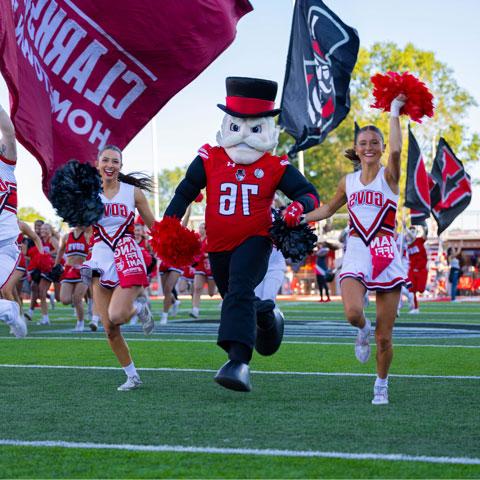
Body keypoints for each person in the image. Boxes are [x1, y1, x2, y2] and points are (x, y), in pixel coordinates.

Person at [165, 77, 319, 391]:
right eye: (238, 126)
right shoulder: (210, 157)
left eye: (254, 128)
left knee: (239, 288)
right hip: (218, 245)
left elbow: (309, 193)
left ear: (266, 128)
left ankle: (238, 362)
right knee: (236, 296)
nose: (245, 137)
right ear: (227, 124)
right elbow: (184, 191)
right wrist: (170, 223)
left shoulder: (276, 165)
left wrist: (297, 207)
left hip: (257, 239)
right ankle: (267, 319)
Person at [304, 95, 410, 405]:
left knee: (385, 337)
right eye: (363, 142)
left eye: (374, 142)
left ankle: (381, 383)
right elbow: (325, 210)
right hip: (357, 251)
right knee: (353, 314)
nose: (368, 147)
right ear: (357, 147)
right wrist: (297, 218)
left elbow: (398, 150)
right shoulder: (347, 182)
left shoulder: (389, 178)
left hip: (386, 253)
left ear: (380, 147)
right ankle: (361, 330)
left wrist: (393, 112)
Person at [81, 144, 155, 391]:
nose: (110, 165)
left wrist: (174, 240)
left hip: (127, 256)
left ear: (121, 166)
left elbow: (154, 226)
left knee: (117, 315)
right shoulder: (89, 193)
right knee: (110, 328)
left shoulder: (133, 193)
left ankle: (139, 308)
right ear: (98, 164)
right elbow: (82, 225)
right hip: (99, 261)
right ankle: (132, 376)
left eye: (115, 161)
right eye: (105, 160)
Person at [0, 101, 27, 337]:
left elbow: (8, 131)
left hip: (5, 247)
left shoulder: (6, 167)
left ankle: (9, 310)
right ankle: (9, 311)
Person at [1, 221, 43, 319]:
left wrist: (42, 255)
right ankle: (20, 317)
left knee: (6, 290)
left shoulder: (20, 225)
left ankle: (16, 320)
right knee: (14, 294)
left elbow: (36, 238)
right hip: (5, 261)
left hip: (18, 261)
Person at [55, 226, 92, 331]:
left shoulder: (87, 236)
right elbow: (60, 251)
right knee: (64, 300)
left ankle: (80, 322)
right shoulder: (66, 236)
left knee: (77, 299)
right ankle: (88, 304)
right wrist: (56, 265)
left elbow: (92, 251)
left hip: (84, 270)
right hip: (69, 270)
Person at [190, 222, 217, 319]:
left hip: (210, 266)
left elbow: (213, 253)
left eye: (203, 228)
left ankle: (221, 296)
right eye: (200, 227)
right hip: (200, 267)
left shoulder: (210, 239)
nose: (201, 229)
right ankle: (195, 310)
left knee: (211, 293)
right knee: (197, 288)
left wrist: (204, 255)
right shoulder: (197, 240)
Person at [406, 224, 428, 314]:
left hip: (421, 269)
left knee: (421, 289)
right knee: (411, 290)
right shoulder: (406, 243)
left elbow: (425, 235)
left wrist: (425, 228)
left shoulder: (419, 240)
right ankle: (415, 308)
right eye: (410, 231)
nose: (412, 233)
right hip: (411, 269)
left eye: (413, 231)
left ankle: (413, 306)